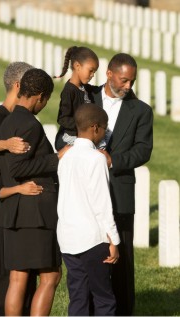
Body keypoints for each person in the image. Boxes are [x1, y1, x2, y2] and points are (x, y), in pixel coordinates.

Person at [0, 67, 69, 316]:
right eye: (46, 99)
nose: (45, 104)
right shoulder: (29, 124)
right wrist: (55, 159)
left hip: (16, 211)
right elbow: (18, 168)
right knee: (51, 276)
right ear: (40, 96)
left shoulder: (8, 120)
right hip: (35, 213)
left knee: (18, 277)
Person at [0, 62, 42, 316]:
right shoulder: (0, 116)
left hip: (20, 198)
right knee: (1, 268)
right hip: (2, 200)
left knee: (20, 266)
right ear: (18, 86)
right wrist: (7, 143)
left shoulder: (21, 118)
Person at [92, 53, 154, 315]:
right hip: (86, 191)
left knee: (122, 262)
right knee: (89, 259)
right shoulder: (87, 97)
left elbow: (143, 150)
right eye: (124, 80)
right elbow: (64, 136)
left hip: (119, 191)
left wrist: (113, 160)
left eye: (132, 81)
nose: (129, 86)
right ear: (109, 74)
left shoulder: (140, 110)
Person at [57, 103, 120, 316]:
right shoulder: (96, 159)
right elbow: (102, 204)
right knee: (103, 298)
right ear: (95, 128)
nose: (104, 133)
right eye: (104, 128)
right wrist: (114, 240)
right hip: (92, 239)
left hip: (68, 237)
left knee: (78, 296)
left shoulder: (65, 158)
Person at [54, 46, 99, 151]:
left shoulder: (84, 87)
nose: (92, 75)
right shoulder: (69, 91)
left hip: (84, 135)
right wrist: (84, 127)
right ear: (77, 66)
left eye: (94, 72)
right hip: (72, 136)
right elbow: (62, 118)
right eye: (91, 71)